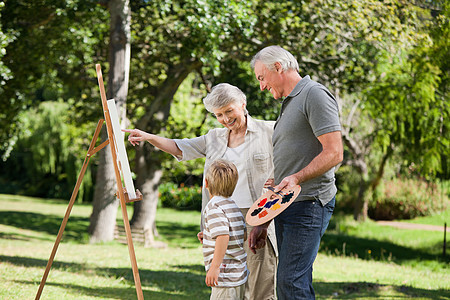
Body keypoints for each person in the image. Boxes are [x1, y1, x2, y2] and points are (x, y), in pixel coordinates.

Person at [123, 83, 278, 300]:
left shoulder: (269, 131)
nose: (225, 119)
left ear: (242, 104)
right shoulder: (213, 137)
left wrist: (278, 185)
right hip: (223, 217)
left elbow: (293, 157)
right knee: (227, 287)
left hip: (258, 216)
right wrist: (149, 137)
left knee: (260, 288)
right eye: (219, 115)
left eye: (229, 111)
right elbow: (180, 147)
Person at [249, 45, 343, 299]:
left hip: (310, 203)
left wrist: (298, 177)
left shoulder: (314, 94)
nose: (261, 86)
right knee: (292, 282)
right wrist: (264, 218)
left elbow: (334, 152)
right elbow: (285, 169)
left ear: (278, 67)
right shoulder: (290, 104)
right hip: (288, 206)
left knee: (291, 282)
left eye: (262, 78)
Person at [201, 159, 248, 299]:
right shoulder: (233, 206)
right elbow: (241, 235)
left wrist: (215, 267)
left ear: (206, 183)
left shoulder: (214, 207)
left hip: (224, 276)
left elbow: (223, 236)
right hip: (237, 275)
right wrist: (208, 235)